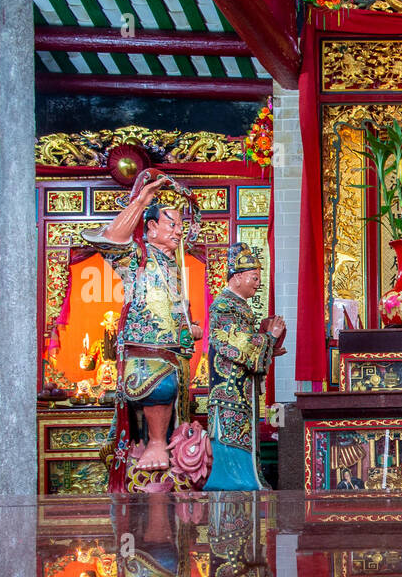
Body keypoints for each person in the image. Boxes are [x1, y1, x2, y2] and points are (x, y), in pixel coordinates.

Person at [83, 173, 203, 486]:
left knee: (175, 396)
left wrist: (189, 328)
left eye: (179, 225)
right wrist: (141, 201)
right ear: (150, 227)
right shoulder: (138, 256)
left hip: (174, 353)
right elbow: (109, 238)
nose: (178, 231)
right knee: (157, 387)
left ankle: (162, 442)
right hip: (145, 352)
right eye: (171, 224)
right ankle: (154, 443)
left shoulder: (173, 265)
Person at [203, 243, 285, 491]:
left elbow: (246, 346)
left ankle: (247, 482)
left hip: (240, 390)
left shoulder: (238, 306)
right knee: (231, 439)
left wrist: (269, 348)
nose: (257, 283)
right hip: (228, 391)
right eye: (254, 277)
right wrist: (269, 338)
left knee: (242, 436)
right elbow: (237, 344)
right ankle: (234, 485)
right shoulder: (224, 306)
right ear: (237, 277)